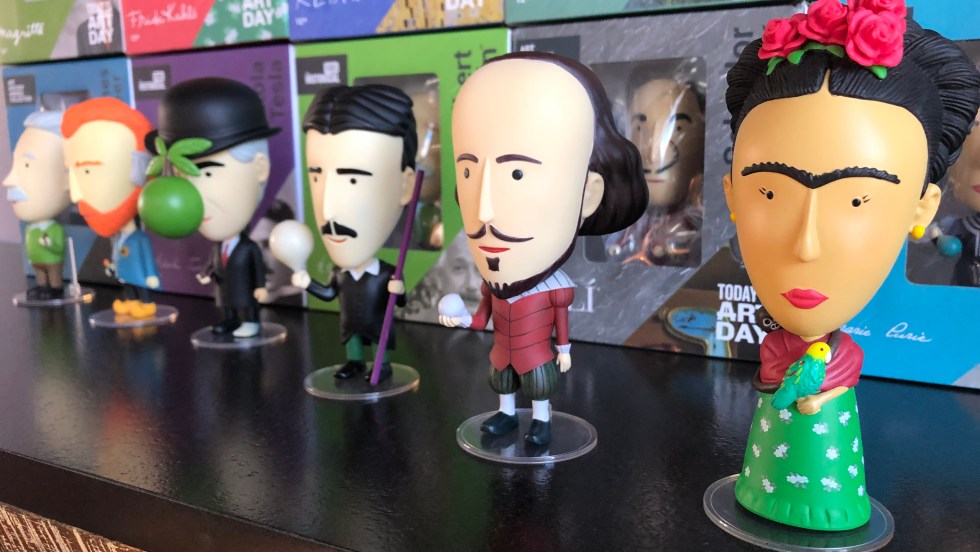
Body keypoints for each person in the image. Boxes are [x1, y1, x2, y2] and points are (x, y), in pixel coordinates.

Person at [723, 0, 980, 530]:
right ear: (731, 195)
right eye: (770, 193)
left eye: (858, 200)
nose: (806, 244)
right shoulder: (783, 345)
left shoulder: (842, 356)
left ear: (922, 209)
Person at [438, 52, 647, 446]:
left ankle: (541, 420)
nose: (484, 211)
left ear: (588, 194)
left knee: (538, 385)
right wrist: (461, 319)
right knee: (501, 379)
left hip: (537, 356)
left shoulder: (554, 289)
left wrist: (564, 350)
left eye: (517, 173)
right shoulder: (492, 288)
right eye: (467, 171)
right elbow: (481, 320)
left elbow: (560, 321)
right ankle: (505, 414)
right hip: (503, 353)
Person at [290, 84, 415, 383]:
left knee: (377, 341)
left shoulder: (386, 273)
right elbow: (328, 293)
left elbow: (399, 300)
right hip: (350, 326)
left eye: (353, 180)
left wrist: (399, 292)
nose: (328, 211)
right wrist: (307, 282)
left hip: (376, 326)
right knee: (352, 342)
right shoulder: (340, 274)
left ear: (406, 185)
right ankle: (355, 362)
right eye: (316, 177)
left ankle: (381, 364)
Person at [148, 78, 278, 338]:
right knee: (225, 301)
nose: (193, 195)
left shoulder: (248, 248)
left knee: (243, 303)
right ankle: (230, 321)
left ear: (260, 168)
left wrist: (261, 287)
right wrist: (208, 273)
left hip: (246, 296)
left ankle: (249, 322)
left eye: (207, 173)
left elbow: (257, 269)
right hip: (225, 291)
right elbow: (214, 263)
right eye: (182, 175)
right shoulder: (219, 248)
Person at [62, 98, 160, 318]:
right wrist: (113, 266)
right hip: (125, 274)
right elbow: (118, 256)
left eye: (88, 172)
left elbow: (146, 258)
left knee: (139, 286)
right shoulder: (117, 239)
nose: (76, 196)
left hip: (139, 276)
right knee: (128, 286)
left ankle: (145, 303)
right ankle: (131, 302)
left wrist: (152, 276)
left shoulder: (138, 238)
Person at [605, 77, 705, 266]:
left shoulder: (698, 224)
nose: (652, 155)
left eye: (677, 129)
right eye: (639, 129)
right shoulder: (616, 223)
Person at [3, 111, 71, 300]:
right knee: (40, 277)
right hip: (36, 262)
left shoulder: (54, 228)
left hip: (52, 260)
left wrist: (50, 245)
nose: (7, 181)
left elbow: (58, 247)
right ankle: (42, 287)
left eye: (26, 166)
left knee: (54, 277)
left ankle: (55, 288)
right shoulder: (30, 228)